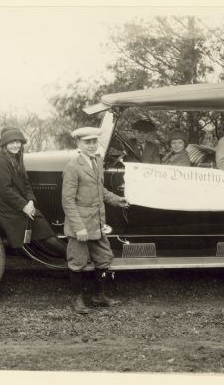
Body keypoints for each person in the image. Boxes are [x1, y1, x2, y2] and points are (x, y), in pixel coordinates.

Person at [62, 127, 130, 314]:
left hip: (97, 223)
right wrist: (79, 228)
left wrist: (117, 200)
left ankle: (100, 296)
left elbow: (101, 192)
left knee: (104, 258)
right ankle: (76, 301)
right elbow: (67, 201)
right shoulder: (73, 167)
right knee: (77, 261)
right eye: (87, 142)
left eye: (94, 142)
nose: (92, 146)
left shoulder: (97, 161)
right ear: (78, 144)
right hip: (81, 226)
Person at [0, 127, 66, 253]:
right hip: (8, 207)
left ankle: (72, 257)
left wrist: (30, 201)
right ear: (5, 144)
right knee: (45, 234)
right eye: (12, 142)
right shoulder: (1, 162)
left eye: (18, 142)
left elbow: (26, 184)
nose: (15, 145)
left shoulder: (16, 159)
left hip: (20, 203)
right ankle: (73, 258)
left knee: (45, 231)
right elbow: (5, 190)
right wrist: (23, 206)